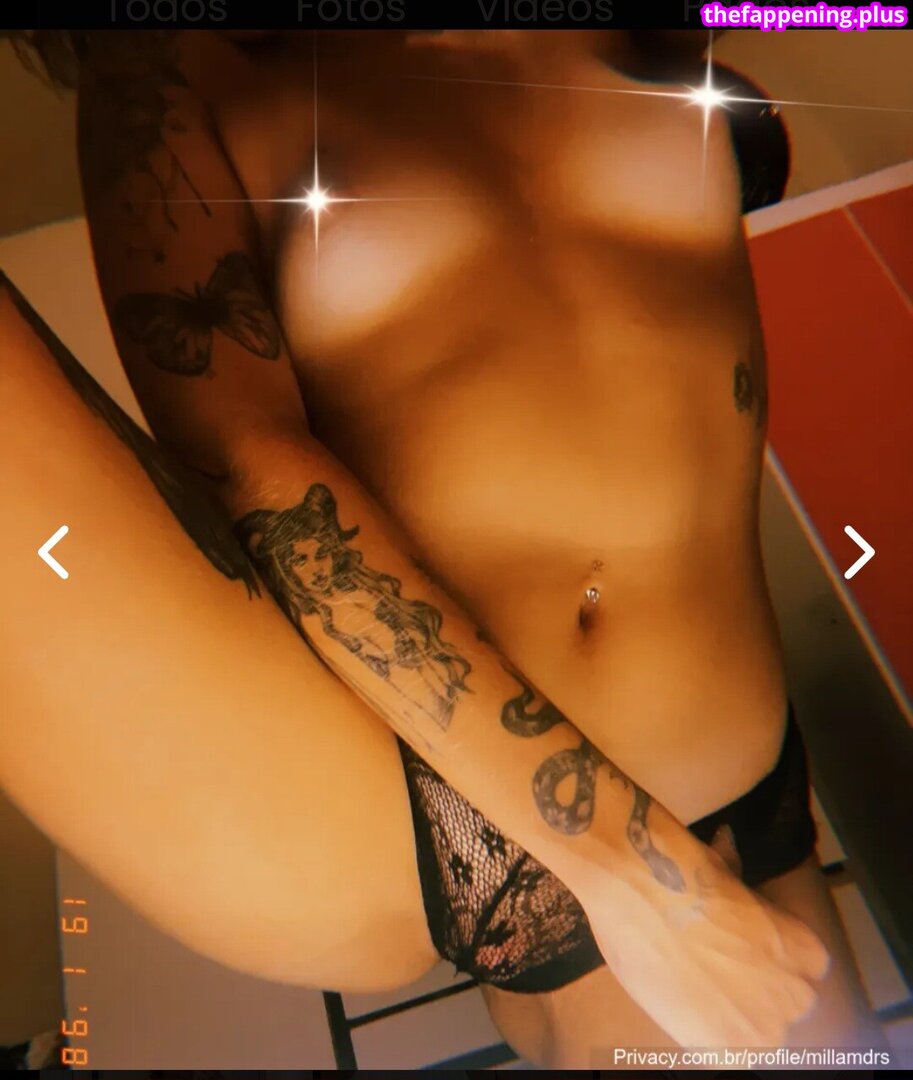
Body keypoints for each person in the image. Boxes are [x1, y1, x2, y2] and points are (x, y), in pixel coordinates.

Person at [0, 29, 883, 1068]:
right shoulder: (175, 65)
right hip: (390, 767)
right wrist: (626, 873)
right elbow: (242, 455)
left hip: (735, 748)